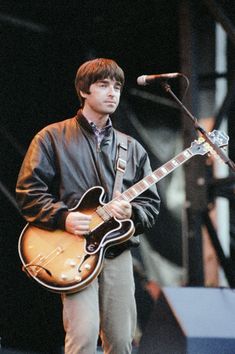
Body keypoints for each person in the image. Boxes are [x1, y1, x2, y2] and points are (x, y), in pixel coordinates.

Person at [16, 58, 160, 354]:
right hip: (73, 248)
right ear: (83, 90)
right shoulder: (51, 137)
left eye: (117, 86)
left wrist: (133, 212)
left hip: (116, 251)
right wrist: (63, 218)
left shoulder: (131, 148)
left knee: (121, 342)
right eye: (103, 85)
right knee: (82, 337)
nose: (112, 93)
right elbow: (28, 192)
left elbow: (151, 206)